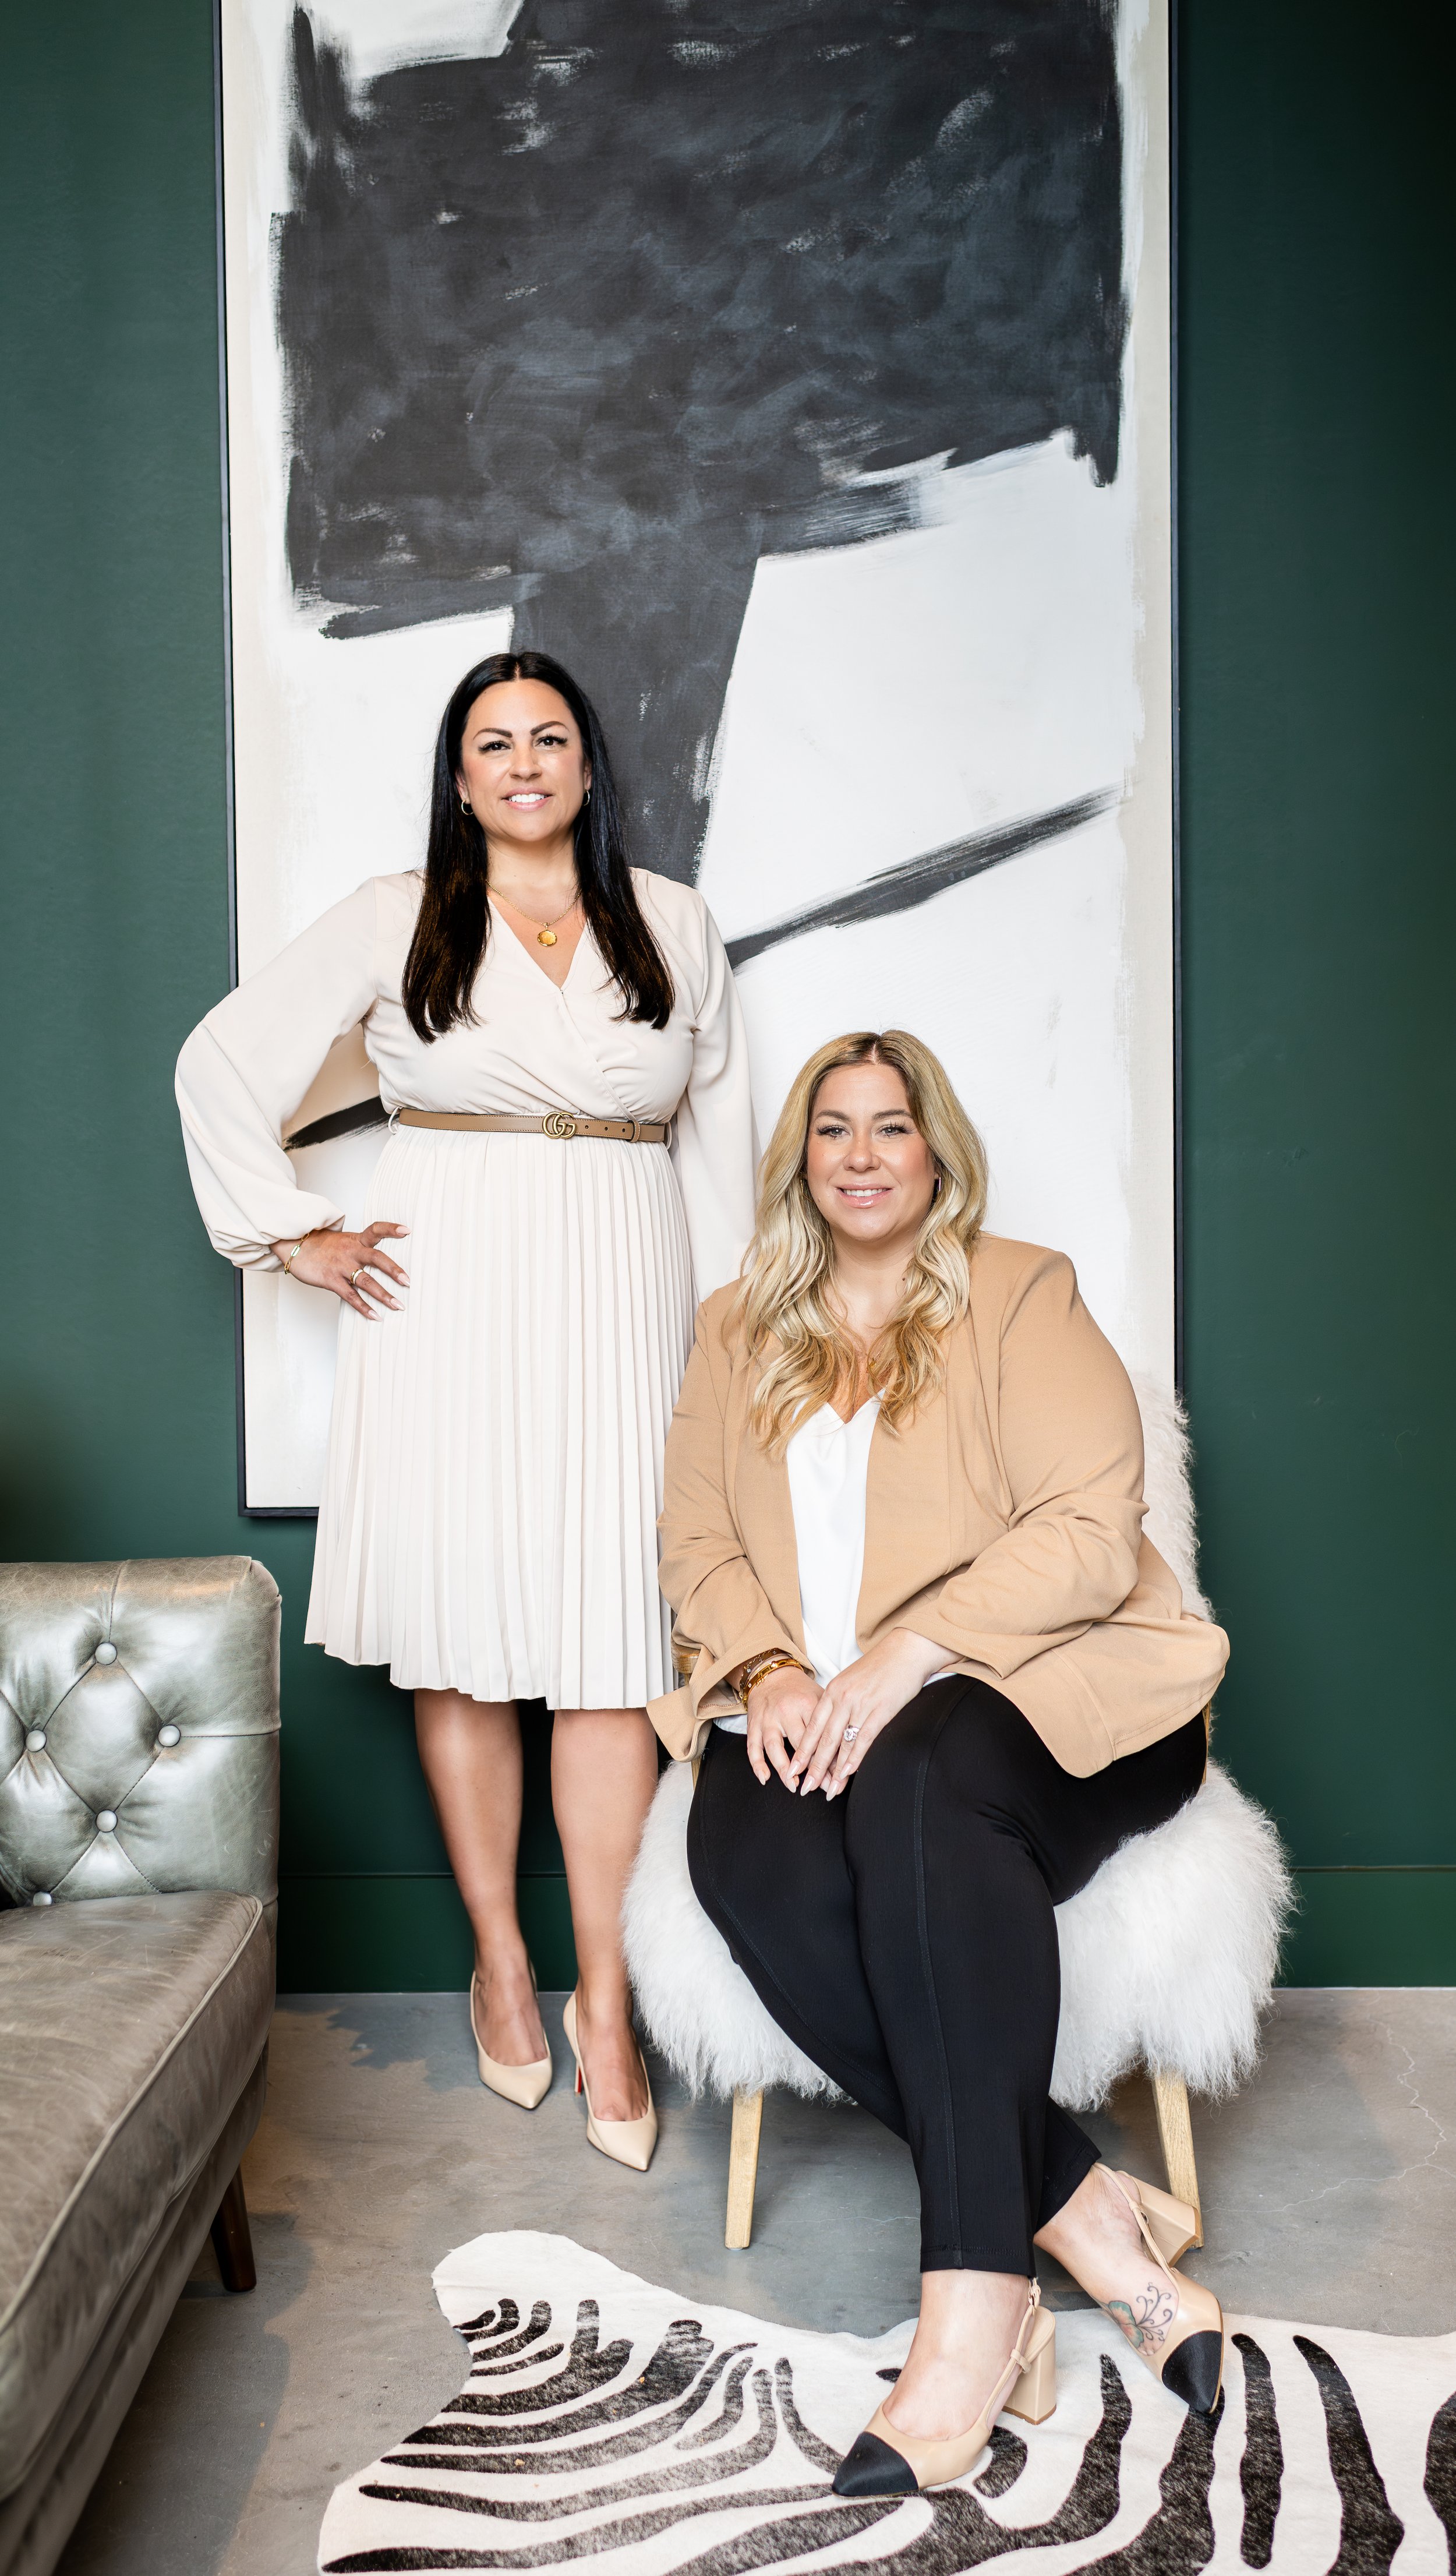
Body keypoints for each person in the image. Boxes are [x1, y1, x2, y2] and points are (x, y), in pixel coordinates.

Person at [177, 650, 756, 2171]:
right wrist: (288, 1228)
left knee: (608, 1651)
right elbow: (220, 1061)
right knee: (466, 1635)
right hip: (445, 1309)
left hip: (625, 1303)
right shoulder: (395, 914)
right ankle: (503, 1956)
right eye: (490, 740)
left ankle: (608, 1997)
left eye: (547, 736)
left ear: (585, 762)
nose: (520, 760)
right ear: (459, 771)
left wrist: (733, 1343)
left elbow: (721, 1154)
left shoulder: (674, 922)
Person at [652, 1029, 1230, 2491]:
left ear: (934, 1155)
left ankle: (970, 2322)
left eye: (888, 1127)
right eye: (830, 1129)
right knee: (744, 1860)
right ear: (798, 1161)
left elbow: (1090, 1532)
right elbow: (696, 1540)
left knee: (916, 1780)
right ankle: (1087, 2211)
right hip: (811, 1708)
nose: (859, 1154)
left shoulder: (1018, 1295)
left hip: (1048, 1702)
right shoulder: (735, 1328)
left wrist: (906, 1655)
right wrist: (774, 1669)